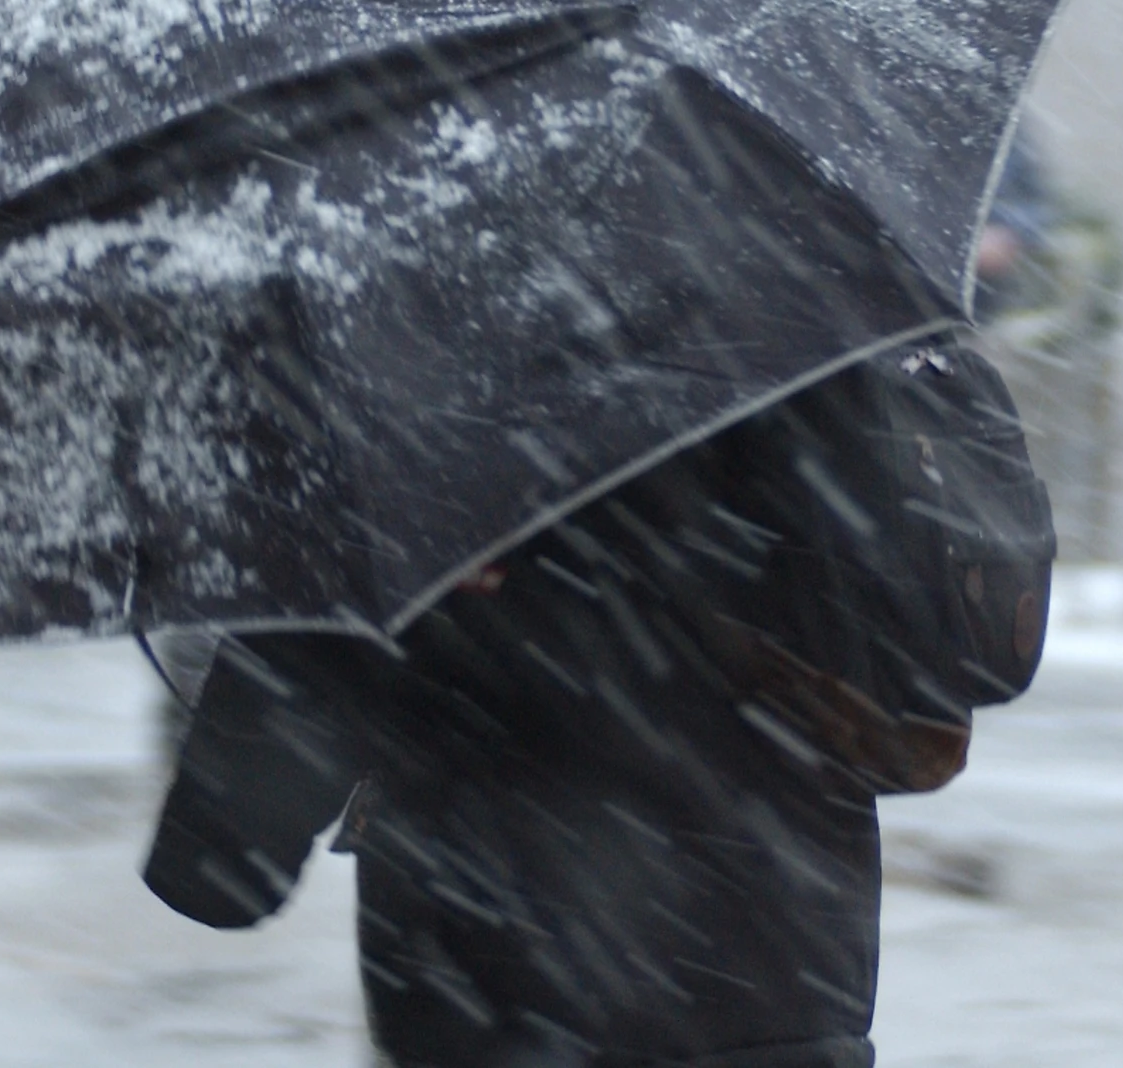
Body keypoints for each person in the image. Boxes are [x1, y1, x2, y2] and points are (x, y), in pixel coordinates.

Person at [143, 335, 1056, 1068]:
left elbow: (227, 859)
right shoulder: (807, 302)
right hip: (784, 972)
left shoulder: (431, 341)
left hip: (494, 988)